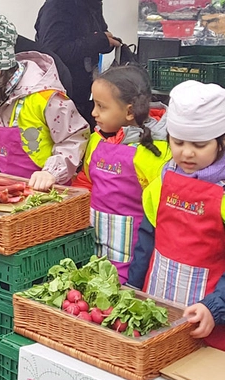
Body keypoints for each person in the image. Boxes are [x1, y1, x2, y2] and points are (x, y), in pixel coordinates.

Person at [127, 80, 225, 350]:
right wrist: (132, 288)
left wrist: (215, 307)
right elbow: (146, 241)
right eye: (178, 142)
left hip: (209, 320)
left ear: (221, 142)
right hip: (157, 307)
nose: (187, 152)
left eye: (200, 144)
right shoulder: (162, 182)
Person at [0, 15, 89, 192]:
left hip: (46, 195)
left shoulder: (45, 98)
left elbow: (74, 137)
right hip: (8, 192)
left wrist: (51, 173)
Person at [73, 65, 171, 283]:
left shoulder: (155, 151)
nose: (93, 113)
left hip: (133, 255)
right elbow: (87, 181)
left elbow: (160, 212)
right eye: (94, 104)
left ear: (129, 111)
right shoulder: (98, 139)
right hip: (94, 242)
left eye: (101, 106)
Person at [35, 0, 121, 126]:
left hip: (82, 93)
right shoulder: (58, 5)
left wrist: (105, 42)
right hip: (60, 96)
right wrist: (97, 41)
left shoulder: (91, 4)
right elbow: (52, 52)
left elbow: (97, 33)